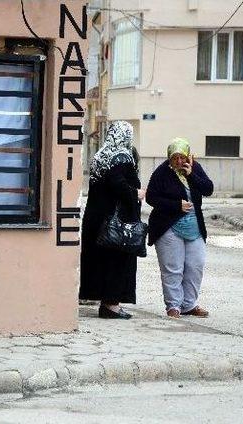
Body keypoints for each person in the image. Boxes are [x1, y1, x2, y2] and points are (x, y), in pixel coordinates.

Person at [79, 121, 145, 319]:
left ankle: (104, 302)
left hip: (96, 220)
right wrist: (137, 193)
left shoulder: (100, 156)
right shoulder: (122, 157)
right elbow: (118, 185)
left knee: (100, 261)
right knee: (117, 262)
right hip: (116, 224)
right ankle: (111, 306)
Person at [145, 137, 214, 319]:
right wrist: (176, 205)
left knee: (195, 266)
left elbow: (208, 189)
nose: (178, 161)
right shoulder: (162, 172)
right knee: (173, 268)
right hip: (168, 226)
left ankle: (189, 305)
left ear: (188, 156)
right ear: (169, 157)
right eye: (174, 158)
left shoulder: (195, 168)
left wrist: (191, 174)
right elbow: (151, 197)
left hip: (194, 227)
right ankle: (173, 306)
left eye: (182, 157)